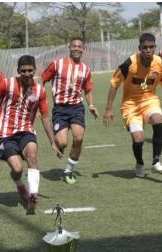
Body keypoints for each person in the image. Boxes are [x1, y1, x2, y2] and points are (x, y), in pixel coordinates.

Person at [0, 54, 60, 215]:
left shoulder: (39, 91)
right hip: (5, 134)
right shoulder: (6, 84)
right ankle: (20, 185)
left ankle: (33, 196)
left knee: (32, 155)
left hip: (26, 131)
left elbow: (45, 117)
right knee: (17, 169)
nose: (27, 74)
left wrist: (52, 141)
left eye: (30, 70)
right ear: (18, 71)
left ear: (34, 71)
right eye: (23, 71)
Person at [104, 33, 162, 177]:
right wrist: (108, 109)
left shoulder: (161, 63)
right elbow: (114, 84)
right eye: (145, 47)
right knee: (138, 138)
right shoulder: (129, 63)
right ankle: (140, 162)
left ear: (155, 47)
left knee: (157, 119)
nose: (148, 50)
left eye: (151, 47)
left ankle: (156, 161)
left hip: (149, 100)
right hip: (130, 105)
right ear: (139, 48)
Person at [40, 38, 98, 185]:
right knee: (62, 142)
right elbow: (42, 79)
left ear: (83, 49)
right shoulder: (57, 64)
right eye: (74, 46)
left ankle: (69, 170)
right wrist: (40, 100)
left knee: (78, 138)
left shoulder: (86, 69)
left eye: (79, 47)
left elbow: (88, 89)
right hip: (60, 109)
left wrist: (91, 105)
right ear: (69, 47)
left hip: (76, 107)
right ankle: (57, 144)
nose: (77, 49)